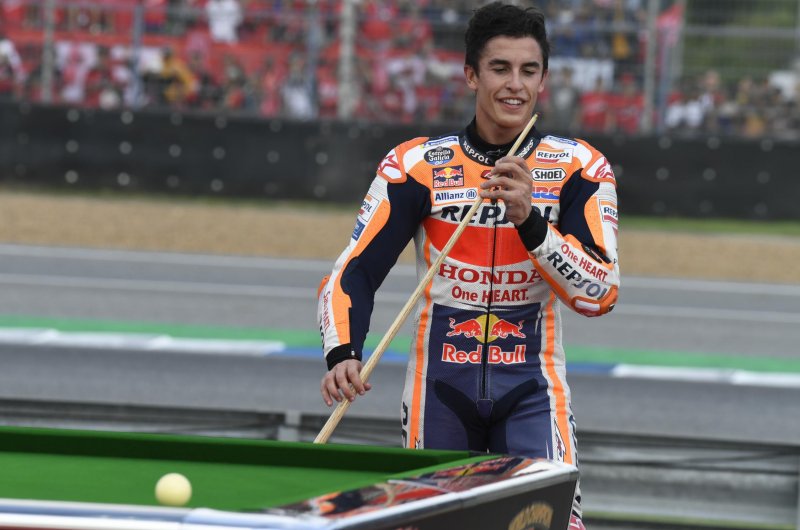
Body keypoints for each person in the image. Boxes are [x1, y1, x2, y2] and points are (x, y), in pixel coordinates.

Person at [317, 3, 620, 528]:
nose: (515, 85)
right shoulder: (415, 165)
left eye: (528, 70)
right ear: (471, 75)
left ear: (544, 80)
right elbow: (354, 271)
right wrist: (343, 352)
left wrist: (531, 222)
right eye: (500, 68)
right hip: (438, 388)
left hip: (533, 390)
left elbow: (600, 294)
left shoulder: (581, 166)